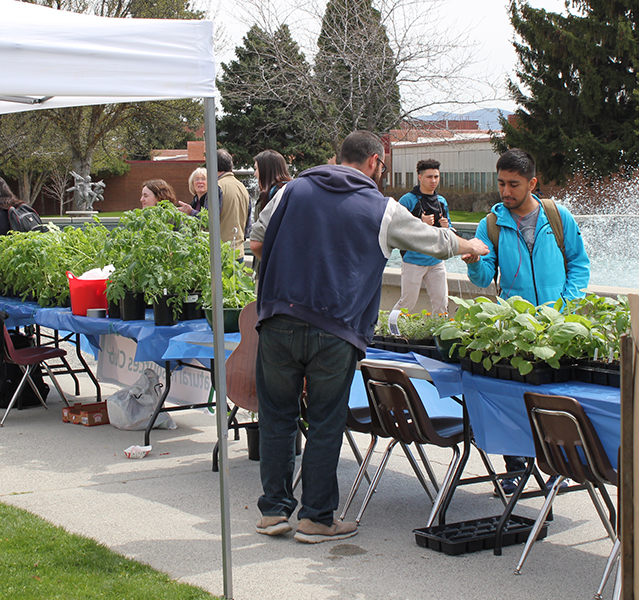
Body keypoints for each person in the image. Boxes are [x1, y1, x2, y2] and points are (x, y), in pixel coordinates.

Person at [253, 130, 489, 543]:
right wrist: (471, 245)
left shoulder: (290, 192)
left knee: (277, 416)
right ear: (376, 163)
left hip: (277, 320)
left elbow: (256, 242)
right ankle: (316, 519)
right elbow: (432, 241)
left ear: (338, 156)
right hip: (335, 329)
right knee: (325, 421)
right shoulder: (384, 209)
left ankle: (273, 512)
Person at [463, 148, 591, 495]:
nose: (506, 192)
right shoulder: (491, 224)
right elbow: (483, 277)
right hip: (515, 328)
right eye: (501, 183)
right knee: (512, 400)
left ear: (532, 183)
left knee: (551, 401)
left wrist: (566, 305)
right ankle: (515, 470)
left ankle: (553, 465)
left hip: (556, 326)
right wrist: (474, 261)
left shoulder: (559, 217)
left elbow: (579, 264)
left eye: (514, 184)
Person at [392, 159, 451, 315]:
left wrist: (447, 228)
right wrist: (419, 222)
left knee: (442, 305)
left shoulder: (441, 202)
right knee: (407, 304)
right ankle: (390, 329)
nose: (433, 181)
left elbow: (451, 233)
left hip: (436, 261)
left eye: (436, 177)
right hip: (413, 261)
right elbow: (396, 230)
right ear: (419, 177)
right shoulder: (407, 200)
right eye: (429, 177)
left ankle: (439, 337)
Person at [248, 149, 292, 264]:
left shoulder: (275, 195)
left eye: (256, 169)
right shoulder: (289, 192)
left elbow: (257, 242)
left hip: (272, 264)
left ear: (266, 170)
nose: (255, 174)